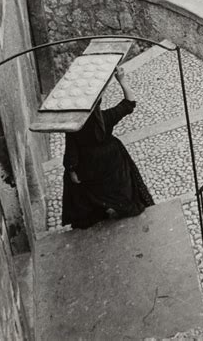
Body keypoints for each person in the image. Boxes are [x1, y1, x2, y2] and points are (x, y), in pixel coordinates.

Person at [62, 66, 154, 230]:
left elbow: (71, 153)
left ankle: (97, 211)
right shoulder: (106, 118)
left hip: (88, 164)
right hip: (112, 161)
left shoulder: (74, 127)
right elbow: (129, 103)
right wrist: (122, 80)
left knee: (85, 189)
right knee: (119, 186)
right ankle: (118, 206)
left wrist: (71, 170)